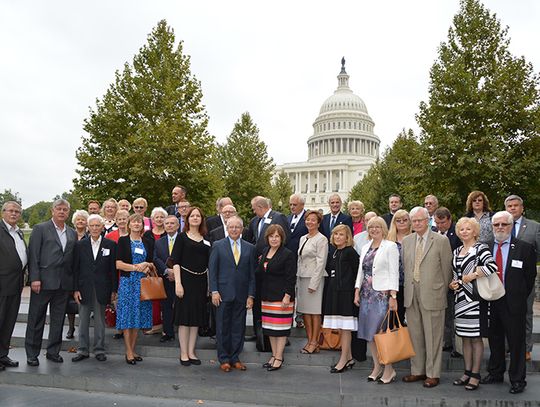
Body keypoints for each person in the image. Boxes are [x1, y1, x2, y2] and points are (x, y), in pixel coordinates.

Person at [481, 211, 536, 394]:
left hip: (513, 302)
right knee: (495, 339)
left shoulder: (524, 248)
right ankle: (496, 372)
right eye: (496, 225)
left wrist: (518, 295)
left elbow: (529, 277)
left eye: (504, 224)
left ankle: (517, 379)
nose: (500, 228)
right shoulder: (485, 247)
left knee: (516, 342)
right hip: (491, 300)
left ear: (511, 226)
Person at [401, 206, 452, 388]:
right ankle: (418, 370)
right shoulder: (406, 241)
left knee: (433, 337)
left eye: (420, 220)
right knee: (415, 335)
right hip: (411, 295)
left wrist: (439, 289)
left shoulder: (440, 241)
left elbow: (447, 271)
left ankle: (432, 373)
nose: (417, 224)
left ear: (427, 221)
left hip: (433, 295)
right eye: (414, 221)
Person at [25, 199, 77, 366]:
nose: (62, 212)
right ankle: (32, 353)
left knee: (58, 320)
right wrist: (34, 278)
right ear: (52, 211)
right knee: (36, 318)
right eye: (58, 209)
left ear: (68, 213)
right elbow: (33, 255)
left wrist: (72, 284)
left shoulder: (72, 233)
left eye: (65, 209)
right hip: (42, 283)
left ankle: (53, 352)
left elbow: (72, 260)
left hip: (63, 284)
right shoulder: (40, 229)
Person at [448, 217, 497, 391]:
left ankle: (475, 375)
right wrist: (453, 283)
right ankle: (466, 372)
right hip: (460, 300)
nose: (464, 232)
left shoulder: (481, 248)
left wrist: (474, 275)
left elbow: (492, 267)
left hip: (476, 300)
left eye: (468, 229)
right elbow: (456, 274)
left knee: (476, 338)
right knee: (465, 338)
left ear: (475, 231)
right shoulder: (457, 251)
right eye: (461, 229)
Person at [354, 216, 399, 383]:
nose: (374, 230)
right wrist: (357, 290)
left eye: (377, 227)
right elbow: (361, 271)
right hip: (366, 295)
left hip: (382, 296)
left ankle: (389, 369)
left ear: (383, 229)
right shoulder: (365, 246)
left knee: (381, 334)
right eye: (371, 227)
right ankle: (377, 366)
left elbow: (394, 272)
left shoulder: (390, 246)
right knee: (369, 333)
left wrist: (393, 296)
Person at [209, 216, 256, 372]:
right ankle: (224, 359)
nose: (234, 229)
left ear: (242, 229)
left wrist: (251, 296)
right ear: (227, 228)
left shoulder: (250, 247)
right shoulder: (217, 245)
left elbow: (252, 275)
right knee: (222, 327)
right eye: (231, 227)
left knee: (238, 327)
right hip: (222, 294)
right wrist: (214, 291)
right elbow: (213, 271)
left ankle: (235, 357)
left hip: (242, 295)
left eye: (237, 227)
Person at [72, 215, 117, 363]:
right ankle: (82, 350)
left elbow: (112, 269)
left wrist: (113, 290)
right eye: (92, 226)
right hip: (84, 287)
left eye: (98, 225)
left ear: (102, 227)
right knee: (83, 320)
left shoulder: (110, 245)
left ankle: (99, 349)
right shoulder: (80, 245)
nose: (95, 228)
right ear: (88, 227)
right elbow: (75, 269)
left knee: (99, 321)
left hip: (102, 288)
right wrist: (75, 289)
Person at [172, 207, 210, 366]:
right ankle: (183, 353)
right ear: (187, 219)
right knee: (184, 319)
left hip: (200, 282)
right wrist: (178, 284)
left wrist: (209, 285)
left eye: (198, 216)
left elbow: (209, 264)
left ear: (201, 219)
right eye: (192, 216)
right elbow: (175, 262)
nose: (195, 218)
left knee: (195, 319)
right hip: (185, 281)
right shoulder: (181, 237)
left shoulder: (206, 239)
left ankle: (192, 351)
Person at [504, 194, 540, 362]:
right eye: (509, 206)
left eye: (516, 205)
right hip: (504, 279)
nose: (512, 208)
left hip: (525, 279)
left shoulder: (534, 227)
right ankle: (506, 346)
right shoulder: (501, 225)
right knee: (504, 313)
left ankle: (525, 348)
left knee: (525, 313)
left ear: (522, 208)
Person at [115, 214, 153, 365]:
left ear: (142, 225)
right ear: (129, 224)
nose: (137, 224)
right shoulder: (123, 241)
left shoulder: (147, 241)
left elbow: (151, 262)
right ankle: (128, 351)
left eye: (139, 222)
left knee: (138, 315)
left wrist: (147, 265)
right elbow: (118, 264)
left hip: (142, 283)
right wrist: (136, 267)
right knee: (127, 315)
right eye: (134, 221)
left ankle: (132, 349)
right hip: (127, 282)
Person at [258, 224, 296, 371]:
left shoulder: (287, 254)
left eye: (277, 236)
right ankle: (273, 355)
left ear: (282, 238)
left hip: (281, 298)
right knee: (270, 329)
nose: (274, 239)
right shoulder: (265, 251)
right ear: (267, 238)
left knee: (280, 330)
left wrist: (287, 296)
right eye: (271, 236)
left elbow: (290, 277)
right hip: (267, 296)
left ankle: (279, 357)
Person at [323, 224, 359, 373]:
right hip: (334, 293)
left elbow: (358, 273)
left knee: (345, 329)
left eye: (341, 235)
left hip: (346, 294)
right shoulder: (334, 252)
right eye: (336, 234)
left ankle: (343, 360)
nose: (338, 237)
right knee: (339, 326)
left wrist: (355, 293)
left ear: (347, 237)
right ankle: (349, 357)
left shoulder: (350, 252)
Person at [296, 210, 328, 354]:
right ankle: (310, 341)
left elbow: (321, 263)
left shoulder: (322, 239)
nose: (310, 222)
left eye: (313, 220)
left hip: (314, 279)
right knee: (305, 312)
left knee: (315, 312)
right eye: (307, 220)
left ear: (318, 223)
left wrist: (314, 283)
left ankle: (315, 342)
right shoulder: (303, 238)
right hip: (302, 277)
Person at [0, 201, 27, 370]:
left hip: (15, 285)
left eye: (17, 211)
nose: (14, 214)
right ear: (3, 212)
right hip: (2, 285)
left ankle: (3, 355)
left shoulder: (18, 233)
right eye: (11, 211)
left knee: (9, 322)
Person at [434, 207, 462, 357]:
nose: (440, 226)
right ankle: (447, 342)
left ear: (449, 220)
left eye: (443, 222)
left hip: (453, 280)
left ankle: (456, 346)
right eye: (437, 223)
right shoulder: (434, 233)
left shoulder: (456, 234)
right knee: (444, 315)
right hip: (438, 281)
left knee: (453, 314)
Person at [153, 215, 179, 343]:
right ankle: (168, 332)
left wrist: (177, 272)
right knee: (166, 306)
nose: (169, 225)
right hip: (165, 278)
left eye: (172, 223)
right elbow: (155, 258)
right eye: (167, 223)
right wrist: (166, 270)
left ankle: (183, 331)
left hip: (181, 279)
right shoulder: (159, 242)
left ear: (178, 226)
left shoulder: (183, 240)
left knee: (182, 306)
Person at [105, 209, 130, 340]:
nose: (122, 221)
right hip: (114, 273)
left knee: (128, 302)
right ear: (115, 221)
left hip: (129, 273)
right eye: (119, 219)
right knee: (117, 301)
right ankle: (120, 328)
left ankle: (129, 327)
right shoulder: (110, 236)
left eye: (124, 219)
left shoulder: (134, 235)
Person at [142, 207, 168, 336]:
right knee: (154, 297)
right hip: (151, 269)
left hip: (166, 268)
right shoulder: (147, 235)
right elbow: (145, 251)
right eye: (156, 217)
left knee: (167, 298)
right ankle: (156, 324)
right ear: (152, 220)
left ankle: (167, 325)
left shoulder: (168, 233)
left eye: (161, 217)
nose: (159, 219)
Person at [66, 209, 90, 339]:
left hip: (84, 273)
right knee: (69, 302)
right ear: (74, 222)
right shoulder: (69, 234)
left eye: (83, 219)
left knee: (83, 301)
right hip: (69, 271)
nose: (80, 221)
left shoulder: (90, 236)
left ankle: (83, 328)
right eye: (78, 219)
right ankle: (71, 327)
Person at [386, 209, 411, 326]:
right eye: (398, 220)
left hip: (411, 283)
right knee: (394, 318)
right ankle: (396, 344)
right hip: (393, 285)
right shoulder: (388, 240)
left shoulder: (415, 238)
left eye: (405, 220)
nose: (402, 222)